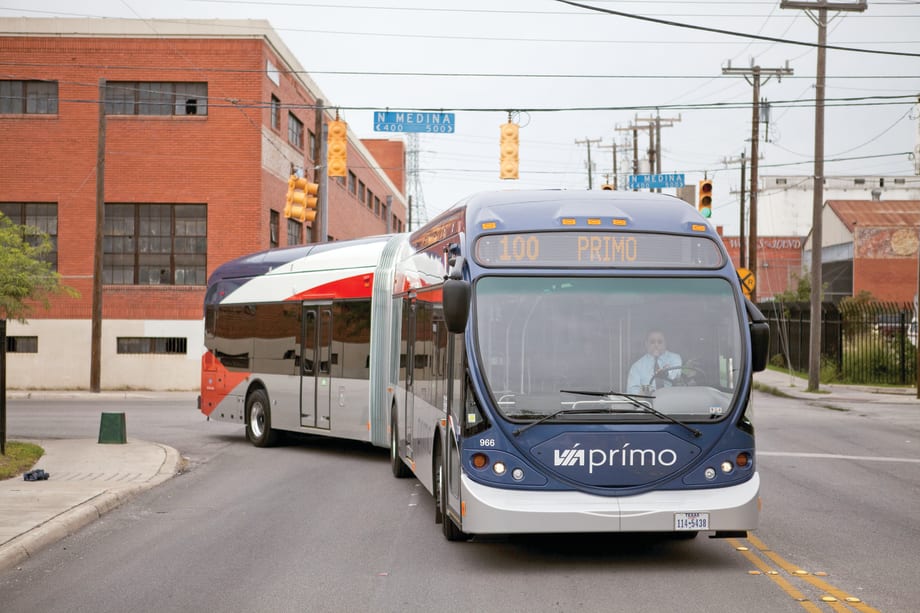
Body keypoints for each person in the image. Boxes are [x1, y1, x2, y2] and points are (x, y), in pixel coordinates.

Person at [627, 329, 682, 394]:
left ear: (665, 343)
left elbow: (677, 373)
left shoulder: (674, 358)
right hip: (647, 403)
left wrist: (666, 373)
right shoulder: (637, 366)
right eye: (652, 342)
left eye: (660, 342)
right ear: (646, 344)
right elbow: (632, 391)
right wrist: (645, 392)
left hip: (673, 401)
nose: (656, 345)